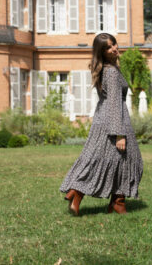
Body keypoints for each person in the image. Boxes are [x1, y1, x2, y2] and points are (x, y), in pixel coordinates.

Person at [59, 33, 143, 215]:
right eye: (108, 47)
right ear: (102, 52)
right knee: (126, 159)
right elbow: (114, 102)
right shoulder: (111, 72)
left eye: (114, 44)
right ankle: (110, 200)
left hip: (103, 118)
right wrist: (119, 134)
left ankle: (80, 193)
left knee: (100, 158)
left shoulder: (108, 68)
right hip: (113, 119)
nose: (114, 48)